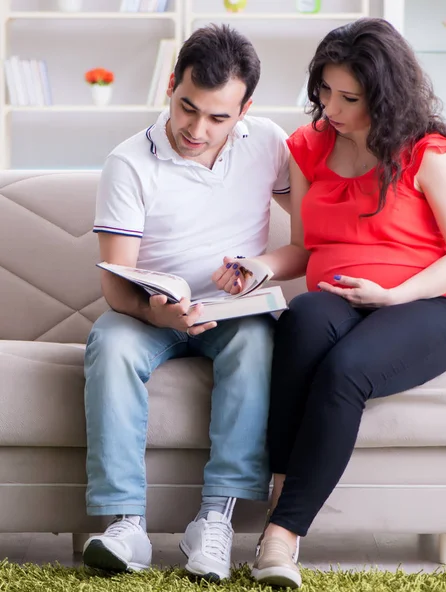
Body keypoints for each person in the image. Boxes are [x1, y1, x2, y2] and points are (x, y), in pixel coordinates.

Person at [212, 17, 446, 588]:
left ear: (384, 96)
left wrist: (393, 295)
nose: (331, 107)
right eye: (324, 91)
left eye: (349, 97)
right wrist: (261, 266)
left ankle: (282, 537)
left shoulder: (427, 153)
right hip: (339, 297)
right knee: (303, 320)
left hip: (428, 304)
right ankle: (284, 486)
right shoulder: (309, 148)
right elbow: (305, 247)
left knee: (344, 371)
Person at [82, 24, 290, 580]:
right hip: (150, 313)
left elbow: (314, 232)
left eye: (219, 117)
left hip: (231, 313)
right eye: (187, 107)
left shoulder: (270, 143)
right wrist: (157, 312)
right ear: (171, 86)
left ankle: (214, 521)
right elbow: (116, 283)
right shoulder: (127, 163)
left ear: (246, 108)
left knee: (257, 338)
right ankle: (127, 526)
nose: (197, 129)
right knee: (109, 342)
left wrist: (262, 270)